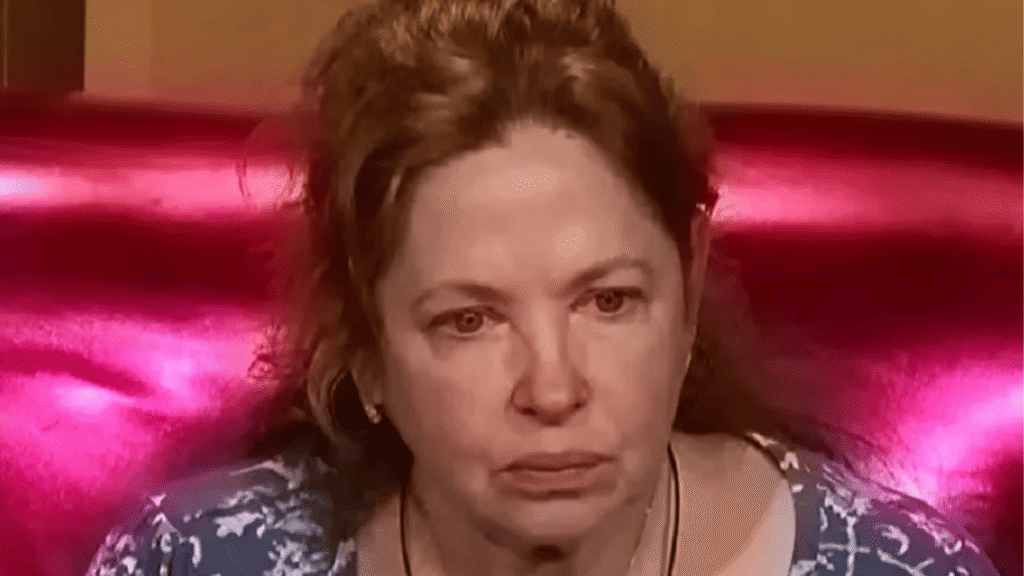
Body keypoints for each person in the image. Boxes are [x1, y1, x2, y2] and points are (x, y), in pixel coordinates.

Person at [84, 0, 1001, 574]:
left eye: (609, 302)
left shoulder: (900, 569)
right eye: (469, 320)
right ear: (366, 351)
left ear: (688, 289)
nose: (553, 390)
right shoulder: (194, 561)